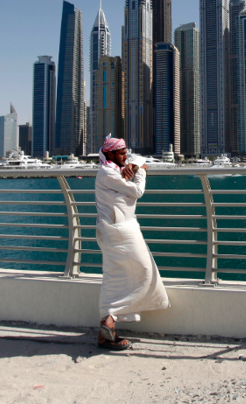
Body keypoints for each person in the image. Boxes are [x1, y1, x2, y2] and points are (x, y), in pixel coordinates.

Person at [94, 135, 170, 350]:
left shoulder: (116, 168)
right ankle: (109, 320)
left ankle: (105, 332)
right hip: (121, 231)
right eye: (121, 153)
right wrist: (141, 171)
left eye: (125, 152)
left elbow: (141, 157)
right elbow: (137, 192)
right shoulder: (108, 173)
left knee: (113, 278)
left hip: (111, 231)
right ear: (110, 154)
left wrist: (134, 164)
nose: (125, 156)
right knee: (144, 271)